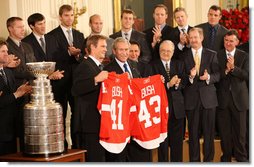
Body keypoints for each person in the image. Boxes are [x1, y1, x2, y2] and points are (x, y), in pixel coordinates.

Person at [104, 37, 152, 162]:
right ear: (114, 51)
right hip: (120, 118)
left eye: (127, 49)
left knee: (137, 154)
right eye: (121, 50)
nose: (125, 53)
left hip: (136, 116)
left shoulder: (135, 65)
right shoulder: (108, 69)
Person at [48, 4, 85, 149]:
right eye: (66, 15)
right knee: (60, 115)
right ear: (60, 17)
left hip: (76, 81)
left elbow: (83, 57)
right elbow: (52, 57)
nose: (70, 18)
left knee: (76, 115)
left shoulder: (79, 34)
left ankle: (77, 146)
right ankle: (61, 146)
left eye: (72, 15)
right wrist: (69, 53)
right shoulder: (51, 35)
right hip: (60, 81)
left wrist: (77, 56)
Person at [183, 27, 220, 162]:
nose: (193, 40)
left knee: (209, 134)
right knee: (193, 134)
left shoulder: (212, 54)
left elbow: (218, 75)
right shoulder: (183, 55)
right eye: (191, 37)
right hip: (191, 100)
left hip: (208, 100)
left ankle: (209, 161)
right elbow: (182, 78)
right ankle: (195, 162)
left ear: (201, 38)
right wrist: (191, 77)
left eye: (195, 37)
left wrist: (208, 77)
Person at [71, 35, 108, 162]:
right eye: (103, 46)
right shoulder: (84, 66)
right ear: (92, 47)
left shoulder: (99, 66)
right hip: (89, 125)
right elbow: (76, 89)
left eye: (106, 47)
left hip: (98, 123)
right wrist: (96, 80)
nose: (105, 49)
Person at [216, 30, 248, 162]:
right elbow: (216, 76)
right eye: (226, 40)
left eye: (231, 41)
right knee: (224, 133)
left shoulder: (244, 56)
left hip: (239, 99)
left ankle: (241, 159)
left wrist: (233, 68)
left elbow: (247, 75)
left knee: (240, 133)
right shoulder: (217, 55)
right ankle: (226, 158)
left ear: (237, 42)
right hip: (222, 100)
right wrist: (226, 70)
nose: (228, 43)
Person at [6, 16, 36, 151]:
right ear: (10, 29)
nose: (23, 30)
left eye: (23, 27)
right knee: (19, 129)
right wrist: (38, 73)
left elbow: (33, 65)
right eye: (19, 27)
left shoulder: (27, 46)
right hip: (17, 93)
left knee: (31, 128)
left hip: (31, 93)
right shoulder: (6, 47)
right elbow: (16, 71)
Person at [152, 40, 185, 162]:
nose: (166, 53)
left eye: (168, 51)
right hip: (160, 111)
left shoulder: (179, 64)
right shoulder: (152, 65)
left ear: (173, 52)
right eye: (163, 50)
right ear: (159, 51)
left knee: (177, 145)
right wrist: (167, 84)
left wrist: (177, 84)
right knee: (163, 145)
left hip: (177, 110)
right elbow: (152, 88)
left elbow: (184, 82)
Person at [0, 40, 32, 155]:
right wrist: (16, 94)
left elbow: (12, 94)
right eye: (3, 51)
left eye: (7, 51)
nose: (6, 54)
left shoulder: (8, 72)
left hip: (11, 128)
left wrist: (22, 91)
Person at [22, 13, 64, 80]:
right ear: (32, 26)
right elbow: (29, 66)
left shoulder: (52, 38)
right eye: (40, 24)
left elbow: (58, 57)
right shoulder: (25, 42)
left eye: (44, 23)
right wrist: (47, 76)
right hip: (37, 82)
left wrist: (56, 73)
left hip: (56, 80)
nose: (43, 26)